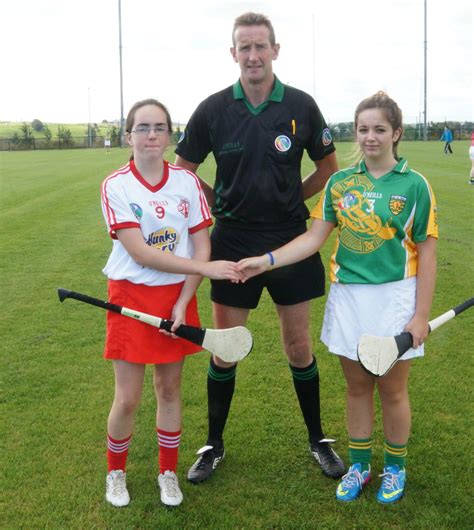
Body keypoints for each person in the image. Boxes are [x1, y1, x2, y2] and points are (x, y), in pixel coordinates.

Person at [237, 91, 438, 505]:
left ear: (396, 133)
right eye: (363, 129)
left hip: (395, 300)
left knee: (392, 390)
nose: (370, 137)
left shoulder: (415, 185)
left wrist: (421, 316)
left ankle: (395, 468)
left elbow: (428, 256)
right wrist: (267, 260)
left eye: (379, 129)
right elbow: (313, 238)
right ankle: (360, 466)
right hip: (349, 299)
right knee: (357, 387)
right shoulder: (340, 183)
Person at [175, 11, 344, 483]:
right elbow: (183, 169)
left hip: (290, 239)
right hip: (232, 242)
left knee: (298, 345)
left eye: (260, 46)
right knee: (226, 348)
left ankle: (318, 439)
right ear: (234, 53)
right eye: (244, 47)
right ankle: (213, 446)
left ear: (275, 50)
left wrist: (294, 199)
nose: (253, 55)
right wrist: (218, 203)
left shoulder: (301, 105)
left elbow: (328, 168)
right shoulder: (213, 109)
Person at [100, 98, 241, 508]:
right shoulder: (116, 185)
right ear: (129, 135)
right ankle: (116, 473)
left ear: (169, 135)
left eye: (159, 127)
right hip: (130, 295)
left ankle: (168, 473)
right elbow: (141, 253)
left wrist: (184, 300)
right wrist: (207, 269)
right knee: (127, 397)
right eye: (142, 128)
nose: (151, 135)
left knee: (169, 389)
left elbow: (201, 244)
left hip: (176, 296)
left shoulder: (186, 183)